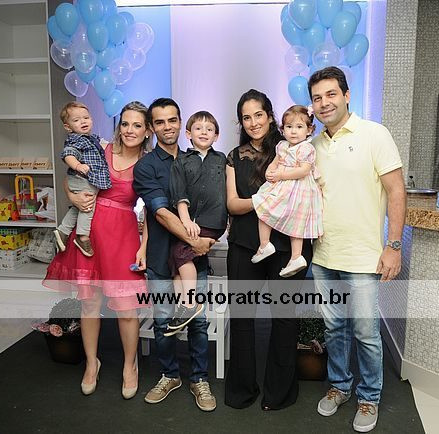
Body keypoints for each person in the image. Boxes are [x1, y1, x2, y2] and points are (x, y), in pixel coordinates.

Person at [308, 67, 406, 432]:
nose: (324, 103)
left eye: (331, 94)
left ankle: (369, 397)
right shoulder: (313, 146)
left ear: (347, 95)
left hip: (364, 257)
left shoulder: (374, 134)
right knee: (334, 328)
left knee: (365, 332)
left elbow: (396, 191)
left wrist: (393, 246)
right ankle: (339, 386)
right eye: (317, 98)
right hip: (323, 256)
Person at [44, 101, 150, 400]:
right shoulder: (100, 148)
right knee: (89, 305)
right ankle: (92, 363)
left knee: (127, 309)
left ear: (147, 131)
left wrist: (144, 245)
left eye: (137, 125)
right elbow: (70, 177)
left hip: (123, 237)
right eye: (125, 123)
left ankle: (130, 366)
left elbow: (154, 210)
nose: (129, 130)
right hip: (88, 234)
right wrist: (72, 197)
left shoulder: (148, 162)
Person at [224, 89, 312, 411]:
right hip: (245, 245)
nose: (253, 123)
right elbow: (233, 204)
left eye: (258, 115)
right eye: (246, 117)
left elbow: (309, 184)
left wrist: (267, 202)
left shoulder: (292, 145)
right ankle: (242, 390)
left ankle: (280, 392)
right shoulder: (234, 157)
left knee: (284, 318)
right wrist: (265, 201)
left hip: (289, 246)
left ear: (271, 116)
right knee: (242, 317)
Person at [132, 98, 217, 412]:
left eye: (172, 120)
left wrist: (211, 237)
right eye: (160, 122)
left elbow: (212, 202)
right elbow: (161, 213)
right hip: (160, 255)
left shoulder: (198, 158)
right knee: (163, 319)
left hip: (194, 257)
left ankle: (199, 379)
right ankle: (169, 375)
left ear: (181, 122)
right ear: (151, 128)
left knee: (198, 320)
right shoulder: (146, 167)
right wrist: (197, 241)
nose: (167, 127)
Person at [166, 111, 227, 335]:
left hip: (212, 220)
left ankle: (190, 304)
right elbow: (179, 194)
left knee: (181, 253)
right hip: (190, 221)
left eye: (209, 129)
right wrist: (185, 221)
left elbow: (228, 191)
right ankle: (183, 306)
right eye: (198, 128)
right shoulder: (181, 161)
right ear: (188, 134)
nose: (204, 132)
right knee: (175, 259)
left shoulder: (221, 159)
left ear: (216, 136)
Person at [251, 104, 323, 277]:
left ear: (309, 130)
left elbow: (303, 170)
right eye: (289, 127)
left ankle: (296, 256)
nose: (293, 131)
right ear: (283, 130)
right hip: (282, 186)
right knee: (264, 207)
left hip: (299, 189)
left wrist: (281, 174)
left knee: (296, 223)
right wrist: (270, 171)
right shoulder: (282, 146)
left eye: (299, 127)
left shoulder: (306, 148)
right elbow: (275, 162)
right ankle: (265, 244)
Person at [54, 102, 111, 257]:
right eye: (76, 120)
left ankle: (63, 231)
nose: (83, 122)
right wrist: (78, 165)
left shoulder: (91, 138)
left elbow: (104, 146)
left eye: (86, 118)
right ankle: (82, 236)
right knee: (87, 205)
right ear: (68, 127)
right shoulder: (76, 139)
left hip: (84, 179)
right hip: (81, 178)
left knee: (78, 207)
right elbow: (68, 154)